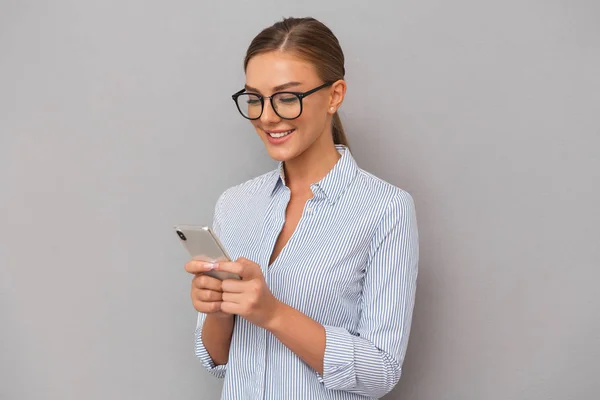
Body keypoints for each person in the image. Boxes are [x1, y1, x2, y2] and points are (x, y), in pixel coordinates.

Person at [185, 16, 419, 400]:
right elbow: (215, 359)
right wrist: (218, 309)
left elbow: (381, 371)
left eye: (288, 97)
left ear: (334, 95)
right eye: (255, 99)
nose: (266, 116)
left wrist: (273, 314)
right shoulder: (235, 204)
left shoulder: (386, 209)